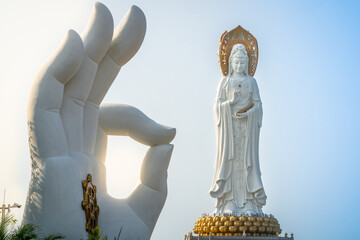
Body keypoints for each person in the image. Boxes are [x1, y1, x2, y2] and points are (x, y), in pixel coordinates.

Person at [209, 44, 266, 215]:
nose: (240, 66)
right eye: (237, 63)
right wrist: (230, 104)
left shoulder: (252, 82)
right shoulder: (225, 82)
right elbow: (216, 107)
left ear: (247, 64)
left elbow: (258, 106)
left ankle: (249, 203)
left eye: (243, 63)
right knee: (231, 163)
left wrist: (250, 113)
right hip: (229, 131)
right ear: (230, 63)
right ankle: (229, 203)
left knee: (246, 163)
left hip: (247, 132)